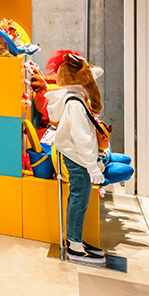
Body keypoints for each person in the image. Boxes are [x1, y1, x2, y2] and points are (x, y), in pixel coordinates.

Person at [44, 50, 133, 262]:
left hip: (78, 157)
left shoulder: (76, 97)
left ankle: (76, 241)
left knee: (79, 199)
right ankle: (74, 245)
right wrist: (92, 166)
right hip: (78, 159)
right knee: (79, 200)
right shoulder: (75, 103)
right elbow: (81, 137)